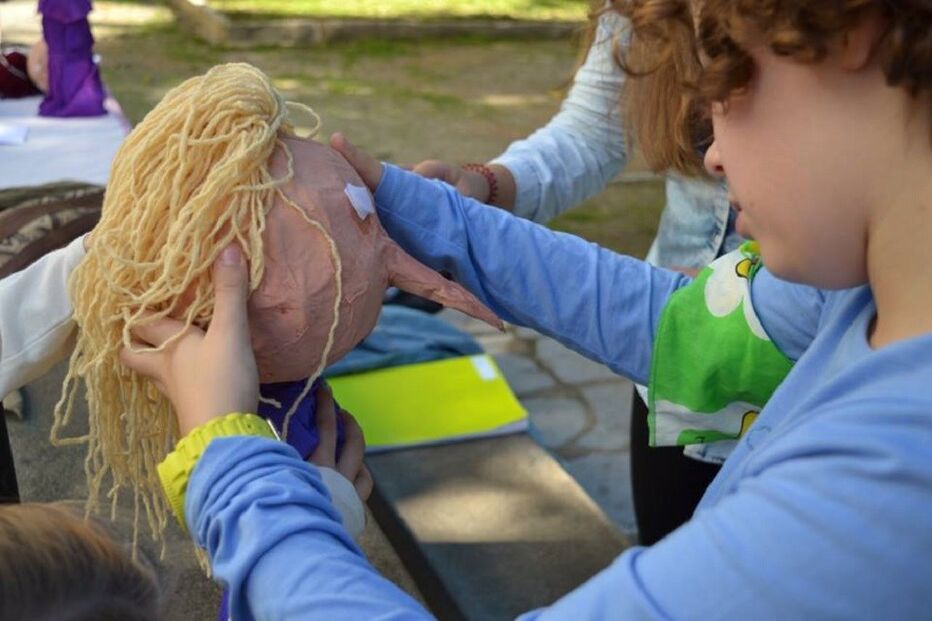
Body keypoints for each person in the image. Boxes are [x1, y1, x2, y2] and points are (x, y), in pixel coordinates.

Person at [122, 0, 932, 618]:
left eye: (725, 73)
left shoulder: (880, 491)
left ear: (853, 29)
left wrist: (230, 461)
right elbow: (687, 328)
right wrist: (411, 210)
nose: (710, 153)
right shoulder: (857, 294)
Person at [409, 2, 739, 545]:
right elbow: (593, 131)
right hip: (671, 363)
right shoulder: (641, 12)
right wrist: (487, 184)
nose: (713, 160)